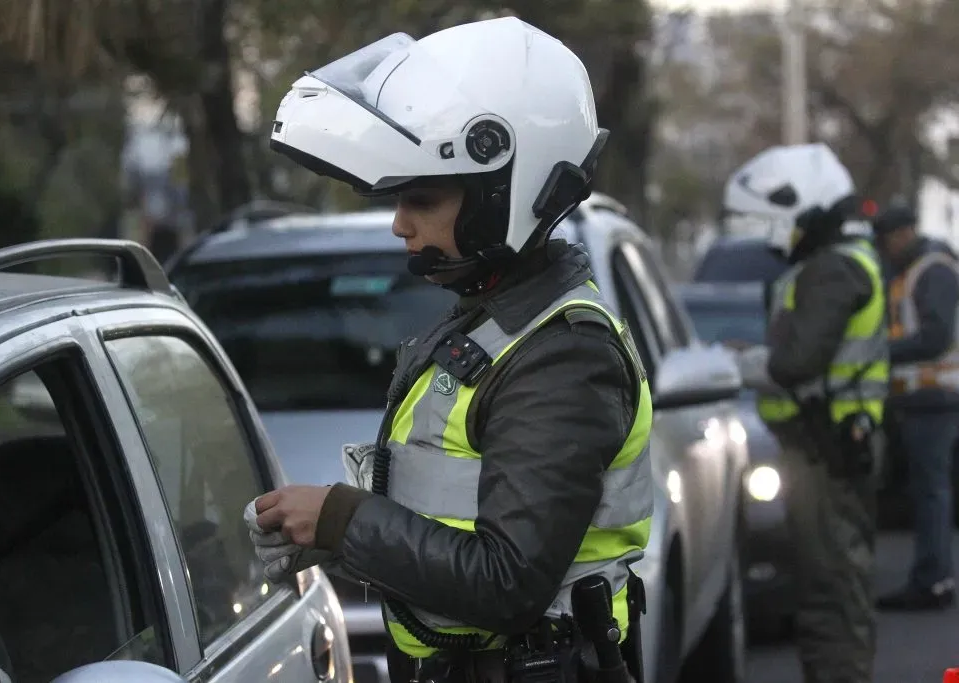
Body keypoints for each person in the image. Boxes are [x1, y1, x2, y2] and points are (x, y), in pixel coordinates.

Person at [241, 17, 654, 683]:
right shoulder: (492, 327)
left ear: (502, 192)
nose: (400, 223)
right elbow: (446, 522)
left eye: (421, 197)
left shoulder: (562, 356)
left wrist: (342, 519)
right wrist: (328, 536)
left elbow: (506, 580)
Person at [723, 143, 888, 683]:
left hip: (826, 451)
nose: (777, 241)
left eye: (780, 226)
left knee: (831, 592)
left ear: (806, 209)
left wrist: (736, 365)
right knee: (833, 587)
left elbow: (796, 362)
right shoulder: (836, 262)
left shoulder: (833, 270)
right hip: (828, 448)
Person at [872, 202, 959, 611]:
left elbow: (936, 338)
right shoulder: (910, 271)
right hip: (919, 397)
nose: (886, 248)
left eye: (888, 239)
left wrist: (880, 352)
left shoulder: (933, 269)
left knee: (931, 493)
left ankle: (933, 581)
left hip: (935, 396)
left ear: (904, 233)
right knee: (928, 491)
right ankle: (932, 576)